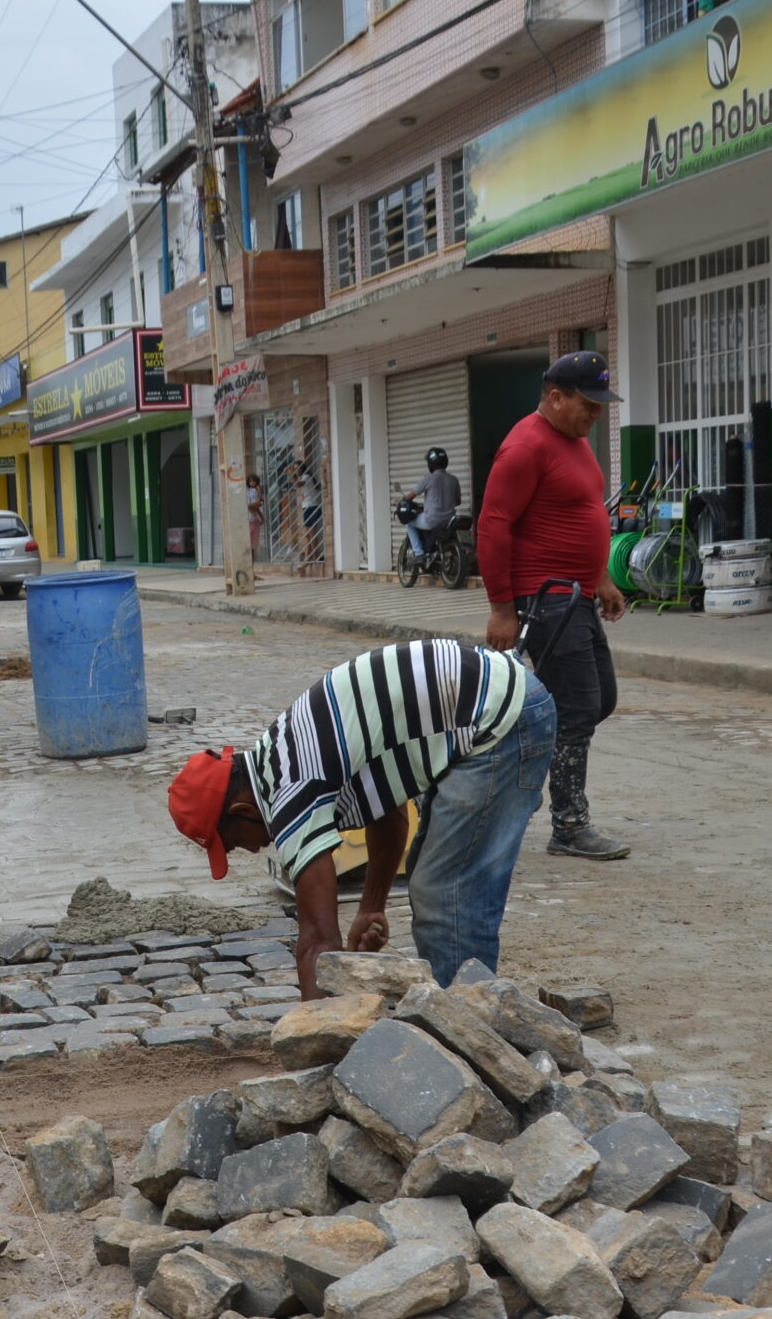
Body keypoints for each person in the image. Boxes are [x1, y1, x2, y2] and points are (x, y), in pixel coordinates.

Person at [166, 637, 555, 995]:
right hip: (493, 703)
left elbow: (318, 942)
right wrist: (371, 907)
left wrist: (316, 1041)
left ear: (241, 810)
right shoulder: (276, 757)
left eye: (233, 843)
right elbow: (390, 814)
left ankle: (471, 1029)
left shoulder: (288, 792)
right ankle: (457, 1014)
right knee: (431, 876)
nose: (250, 851)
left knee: (444, 894)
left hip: (501, 718)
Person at [478, 350, 629, 861]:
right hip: (542, 600)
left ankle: (533, 767)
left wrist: (601, 576)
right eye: (588, 405)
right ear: (555, 396)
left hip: (578, 594)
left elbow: (581, 514)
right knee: (578, 708)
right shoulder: (524, 447)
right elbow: (493, 525)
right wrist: (502, 609)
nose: (597, 415)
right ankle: (568, 823)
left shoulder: (575, 442)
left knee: (598, 700)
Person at [408, 448, 461, 562]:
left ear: (431, 463)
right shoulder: (454, 480)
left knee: (409, 522)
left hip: (432, 520)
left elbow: (411, 496)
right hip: (449, 521)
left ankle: (418, 554)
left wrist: (400, 501)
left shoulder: (428, 479)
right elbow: (458, 502)